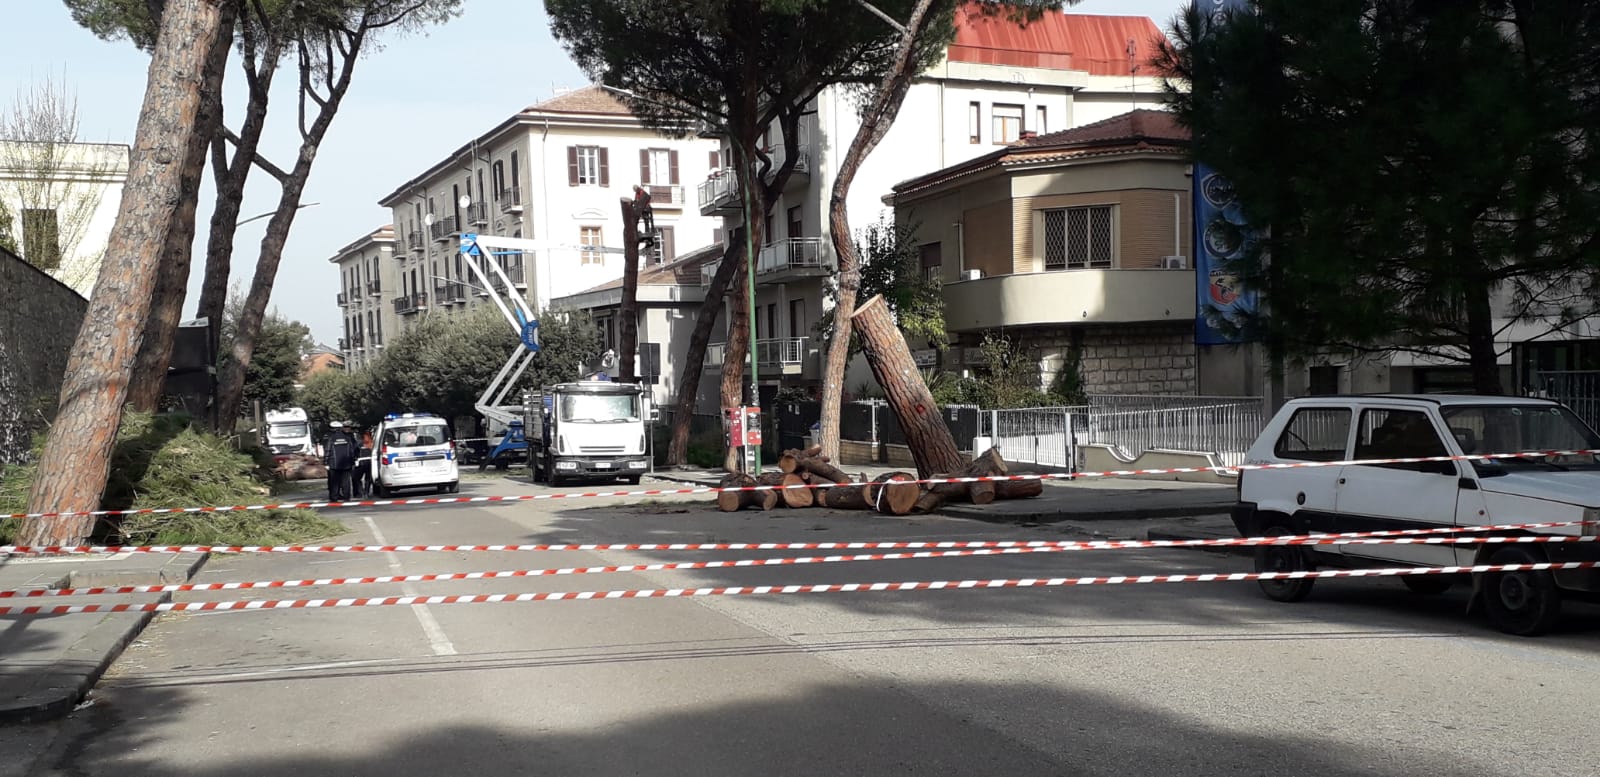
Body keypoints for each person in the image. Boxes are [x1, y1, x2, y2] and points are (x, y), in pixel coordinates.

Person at [322, 421, 357, 502]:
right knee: (346, 481)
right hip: (346, 464)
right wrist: (353, 461)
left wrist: (326, 462)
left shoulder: (331, 438)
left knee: (334, 482)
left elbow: (327, 450)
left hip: (333, 464)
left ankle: (334, 497)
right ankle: (347, 497)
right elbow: (352, 451)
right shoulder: (347, 438)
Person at [352, 426, 374, 498]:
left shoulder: (357, 440)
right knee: (368, 478)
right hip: (369, 460)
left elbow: (354, 450)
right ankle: (366, 492)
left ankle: (361, 492)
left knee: (357, 478)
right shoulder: (370, 439)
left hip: (360, 461)